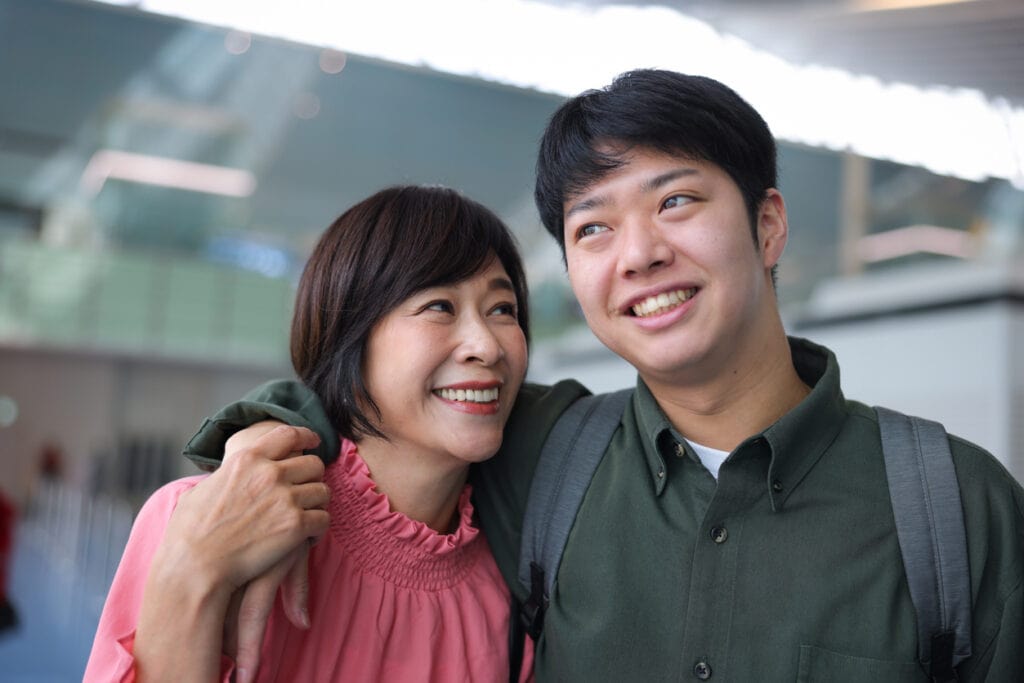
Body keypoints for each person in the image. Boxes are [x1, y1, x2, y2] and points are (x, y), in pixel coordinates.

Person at [183, 70, 1024, 681]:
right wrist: (265, 444)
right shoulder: (547, 452)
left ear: (768, 225)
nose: (640, 254)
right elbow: (385, 400)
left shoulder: (956, 509)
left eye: (677, 202)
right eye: (593, 228)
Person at [84, 185, 533, 682]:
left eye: (502, 309)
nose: (486, 346)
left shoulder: (515, 575)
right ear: (349, 337)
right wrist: (192, 570)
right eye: (439, 306)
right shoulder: (207, 517)